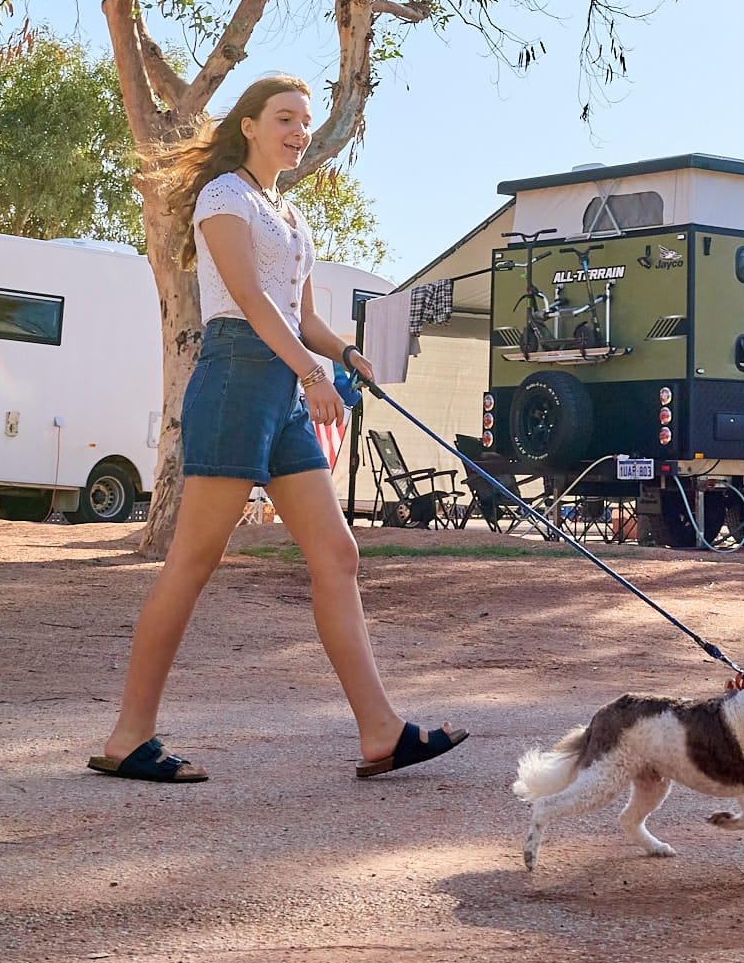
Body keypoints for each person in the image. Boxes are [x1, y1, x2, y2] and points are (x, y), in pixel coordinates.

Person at [88, 73, 465, 785]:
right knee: (193, 563)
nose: (297, 131)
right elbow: (253, 302)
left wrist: (345, 353)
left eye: (304, 120)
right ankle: (126, 736)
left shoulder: (290, 216)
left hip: (283, 385)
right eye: (284, 118)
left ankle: (381, 731)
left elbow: (303, 317)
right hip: (236, 377)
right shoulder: (223, 197)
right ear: (249, 126)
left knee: (337, 553)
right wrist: (314, 375)